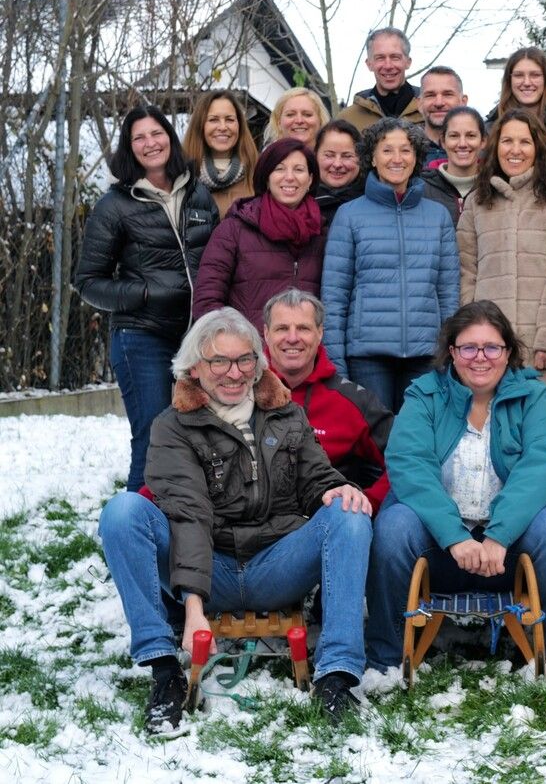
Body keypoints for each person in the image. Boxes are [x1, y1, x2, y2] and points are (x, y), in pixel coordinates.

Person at [96, 307, 373, 732]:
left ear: (258, 363)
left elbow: (314, 475)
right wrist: (193, 608)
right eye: (218, 361)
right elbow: (188, 513)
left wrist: (334, 489)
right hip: (212, 571)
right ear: (194, 368)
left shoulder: (286, 413)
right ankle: (163, 668)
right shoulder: (172, 427)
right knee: (122, 512)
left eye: (244, 359)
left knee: (349, 514)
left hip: (276, 565)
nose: (233, 372)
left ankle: (336, 676)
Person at [364, 301, 546, 668]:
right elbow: (410, 464)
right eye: (468, 347)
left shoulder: (532, 395)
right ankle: (385, 658)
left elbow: (542, 464)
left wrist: (499, 535)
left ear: (507, 352)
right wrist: (455, 537)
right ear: (452, 352)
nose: (480, 358)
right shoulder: (424, 395)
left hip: (508, 552)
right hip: (441, 548)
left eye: (492, 347)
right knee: (393, 527)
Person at [73, 105, 219, 491]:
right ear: (129, 147)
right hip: (142, 335)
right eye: (139, 137)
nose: (150, 143)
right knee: (155, 436)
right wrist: (145, 292)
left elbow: (218, 260)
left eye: (156, 134)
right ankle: (135, 528)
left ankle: (187, 528)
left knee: (200, 436)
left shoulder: (199, 195)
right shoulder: (114, 205)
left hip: (197, 337)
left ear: (170, 137)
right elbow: (88, 282)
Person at [458, 109, 546, 426]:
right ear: (494, 147)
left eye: (524, 142)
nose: (515, 150)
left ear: (538, 147)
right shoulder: (478, 201)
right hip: (489, 354)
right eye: (507, 141)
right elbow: (466, 275)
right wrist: (473, 342)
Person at [322, 118, 460, 412]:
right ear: (372, 157)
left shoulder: (438, 216)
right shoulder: (349, 215)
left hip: (426, 355)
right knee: (374, 448)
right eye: (387, 150)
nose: (397, 159)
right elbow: (334, 295)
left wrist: (448, 351)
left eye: (406, 150)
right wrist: (337, 363)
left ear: (416, 157)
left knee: (419, 444)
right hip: (367, 357)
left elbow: (449, 293)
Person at [263, 289, 393, 509]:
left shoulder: (354, 400)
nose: (292, 338)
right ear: (266, 334)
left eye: (303, 328)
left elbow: (407, 458)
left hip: (328, 520)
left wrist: (368, 502)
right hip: (256, 526)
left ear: (320, 333)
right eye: (282, 328)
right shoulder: (241, 390)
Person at [192, 138, 327, 332]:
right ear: (266, 177)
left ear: (311, 179)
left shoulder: (322, 233)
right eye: (279, 169)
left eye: (298, 169)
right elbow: (207, 300)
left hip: (305, 354)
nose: (289, 177)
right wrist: (234, 346)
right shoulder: (233, 229)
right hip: (249, 354)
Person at [182, 91, 257, 218]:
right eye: (213, 120)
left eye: (229, 119)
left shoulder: (258, 173)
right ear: (200, 125)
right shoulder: (183, 176)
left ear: (239, 125)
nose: (222, 127)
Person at [341, 27, 423, 131]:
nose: (388, 66)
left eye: (395, 57)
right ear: (369, 64)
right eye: (380, 58)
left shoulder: (429, 112)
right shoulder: (348, 120)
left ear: (408, 62)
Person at [421, 106, 484, 226]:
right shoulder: (421, 188)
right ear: (443, 142)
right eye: (454, 136)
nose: (462, 144)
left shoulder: (496, 186)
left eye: (471, 135)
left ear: (483, 141)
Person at [485, 47, 546, 131]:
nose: (527, 83)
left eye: (535, 75)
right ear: (509, 80)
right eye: (518, 75)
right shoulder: (489, 131)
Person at [313, 120, 364, 227]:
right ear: (315, 155)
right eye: (329, 155)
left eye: (347, 156)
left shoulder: (373, 203)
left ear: (360, 158)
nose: (337, 164)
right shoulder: (298, 201)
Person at [417, 66, 468, 167]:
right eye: (430, 95)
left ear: (463, 101)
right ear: (419, 104)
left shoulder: (480, 151)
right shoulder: (405, 149)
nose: (439, 103)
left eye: (447, 94)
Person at [264, 87, 330, 149]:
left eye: (307, 115)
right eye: (290, 115)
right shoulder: (267, 160)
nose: (299, 120)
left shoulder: (336, 159)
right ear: (278, 123)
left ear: (320, 120)